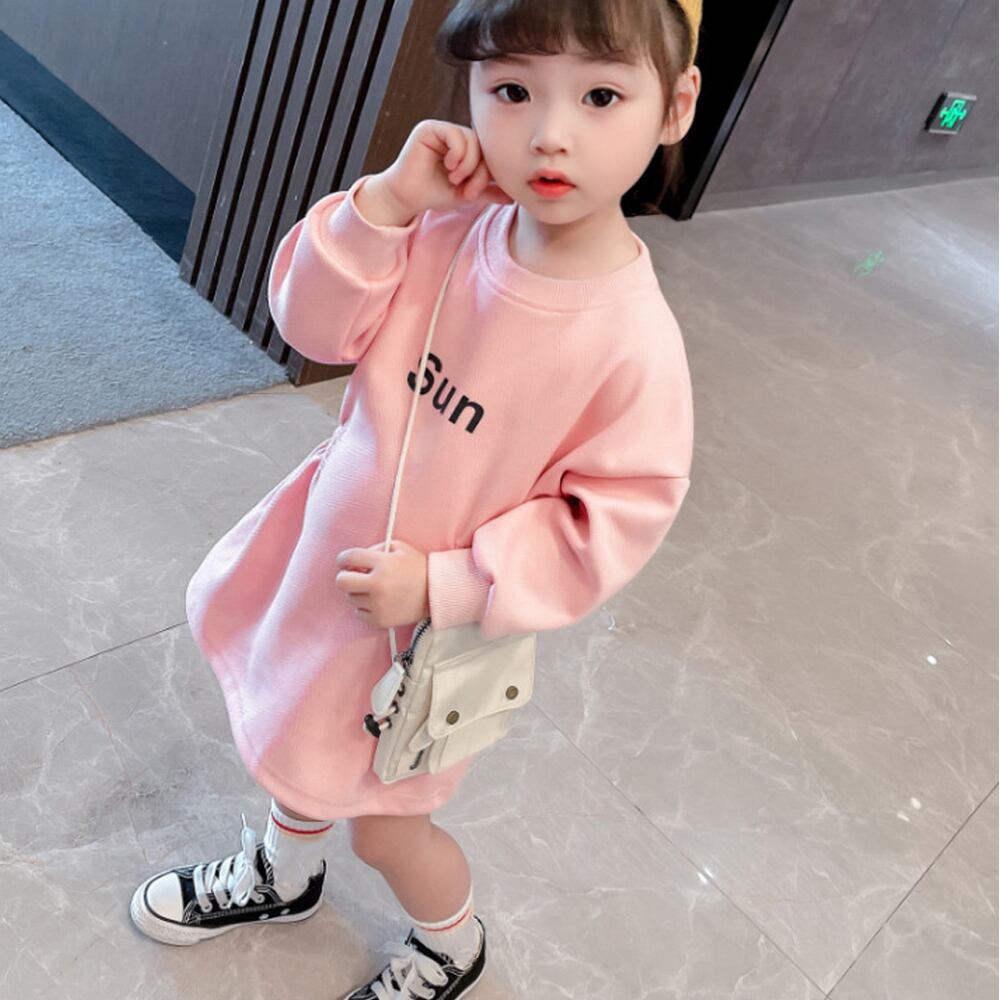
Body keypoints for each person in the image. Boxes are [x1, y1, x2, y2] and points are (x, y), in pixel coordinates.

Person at [128, 0, 703, 996]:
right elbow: (314, 323)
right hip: (329, 570)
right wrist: (387, 204)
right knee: (297, 739)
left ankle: (450, 940)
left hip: (420, 640)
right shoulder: (446, 226)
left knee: (387, 827)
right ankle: (284, 871)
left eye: (601, 97)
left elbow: (605, 524)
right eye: (511, 89)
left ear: (675, 106)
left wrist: (445, 581)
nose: (548, 133)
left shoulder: (631, 344)